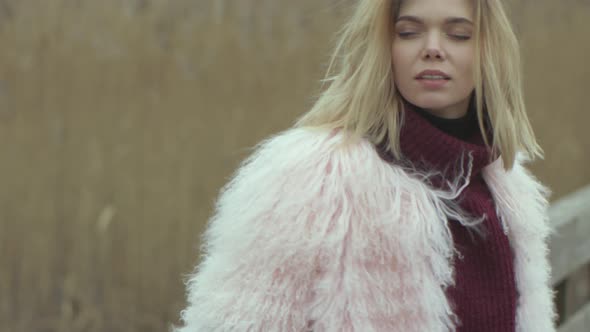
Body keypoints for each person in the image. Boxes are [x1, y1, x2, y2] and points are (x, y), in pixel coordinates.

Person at [174, 0, 557, 331]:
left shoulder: (505, 185)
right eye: (408, 32)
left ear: (489, 50)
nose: (433, 49)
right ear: (384, 46)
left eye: (458, 34)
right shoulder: (312, 177)